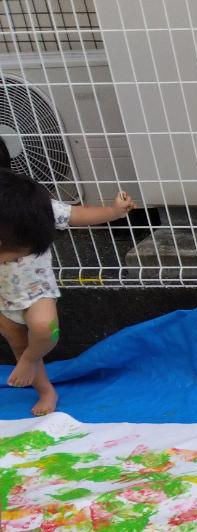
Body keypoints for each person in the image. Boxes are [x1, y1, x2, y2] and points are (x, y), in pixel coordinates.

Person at [0, 170, 135, 416]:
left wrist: (114, 211)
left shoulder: (38, 210)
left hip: (38, 294)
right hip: (3, 301)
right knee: (18, 343)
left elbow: (79, 214)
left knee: (44, 329)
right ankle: (45, 391)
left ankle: (30, 360)